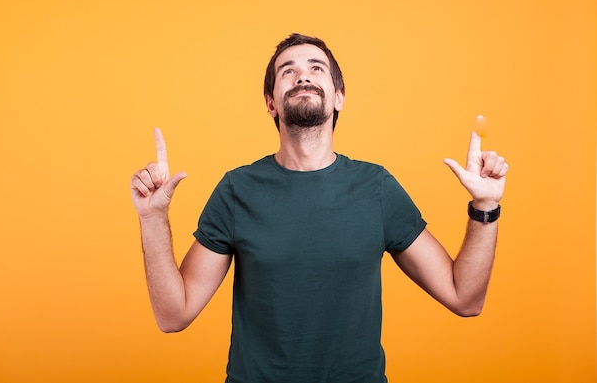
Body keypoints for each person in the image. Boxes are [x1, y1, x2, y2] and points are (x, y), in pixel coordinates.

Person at [130, 33, 509, 383]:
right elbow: (173, 315)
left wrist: (485, 204)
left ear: (338, 96)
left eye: (316, 68)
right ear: (270, 103)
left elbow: (465, 298)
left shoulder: (376, 188)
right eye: (287, 71)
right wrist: (152, 218)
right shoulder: (237, 190)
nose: (302, 76)